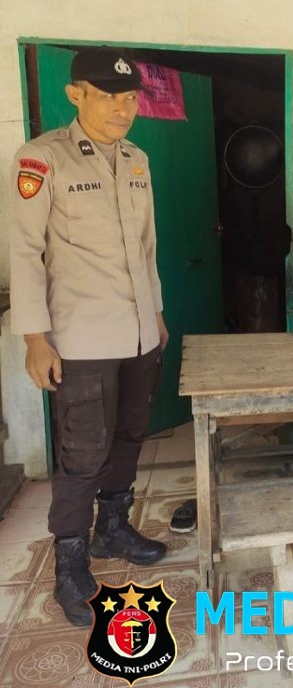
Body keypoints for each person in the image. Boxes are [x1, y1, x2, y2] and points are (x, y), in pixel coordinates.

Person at [10, 47, 169, 627]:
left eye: (130, 98)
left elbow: (147, 247)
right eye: (109, 96)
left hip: (138, 333)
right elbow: (25, 253)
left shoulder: (136, 159)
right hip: (80, 338)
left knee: (129, 435)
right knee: (83, 455)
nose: (123, 109)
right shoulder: (42, 159)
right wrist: (34, 337)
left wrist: (157, 313)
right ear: (76, 94)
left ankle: (114, 528)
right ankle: (70, 565)